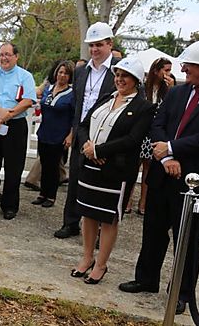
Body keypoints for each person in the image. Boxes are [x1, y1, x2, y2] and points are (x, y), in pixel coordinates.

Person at [119, 41, 199, 315]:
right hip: (164, 173)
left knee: (188, 238)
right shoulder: (177, 92)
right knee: (153, 229)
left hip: (196, 181)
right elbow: (158, 123)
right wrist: (165, 157)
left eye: (188, 64)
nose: (182, 68)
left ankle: (182, 292)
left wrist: (173, 149)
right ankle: (146, 278)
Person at [71, 57, 155, 285]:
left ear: (136, 80)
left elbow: (133, 139)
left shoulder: (143, 107)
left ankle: (101, 264)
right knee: (88, 213)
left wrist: (99, 150)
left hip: (115, 171)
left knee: (108, 218)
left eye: (125, 76)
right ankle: (87, 257)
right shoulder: (107, 98)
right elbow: (83, 124)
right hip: (90, 166)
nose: (119, 80)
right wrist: (88, 146)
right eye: (117, 75)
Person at [54, 22, 120, 239]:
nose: (94, 50)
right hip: (81, 134)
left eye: (99, 45)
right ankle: (71, 222)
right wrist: (75, 134)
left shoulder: (120, 70)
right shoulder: (81, 71)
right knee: (74, 181)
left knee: (101, 184)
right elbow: (77, 107)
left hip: (105, 138)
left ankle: (101, 230)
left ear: (110, 44)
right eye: (91, 45)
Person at [0, 42, 36, 219]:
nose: (4, 58)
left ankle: (10, 205)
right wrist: (0, 114)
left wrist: (5, 117)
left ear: (16, 56)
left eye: (7, 54)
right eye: (1, 54)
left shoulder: (25, 76)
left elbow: (28, 101)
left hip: (15, 126)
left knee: (14, 167)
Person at [127, 57, 173, 215]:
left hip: (154, 135)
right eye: (165, 70)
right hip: (139, 132)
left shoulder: (167, 91)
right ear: (156, 70)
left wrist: (170, 90)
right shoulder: (142, 89)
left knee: (149, 168)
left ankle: (143, 202)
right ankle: (128, 200)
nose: (168, 73)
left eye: (170, 70)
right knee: (133, 167)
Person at [32, 61, 75, 208]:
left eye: (66, 73)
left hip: (60, 134)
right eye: (60, 72)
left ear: (70, 76)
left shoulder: (72, 93)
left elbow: (75, 116)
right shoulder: (48, 89)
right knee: (44, 163)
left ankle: (51, 195)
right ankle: (42, 193)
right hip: (44, 131)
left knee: (54, 166)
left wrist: (70, 135)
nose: (62, 75)